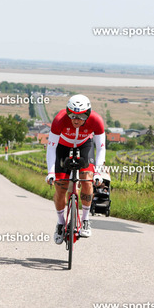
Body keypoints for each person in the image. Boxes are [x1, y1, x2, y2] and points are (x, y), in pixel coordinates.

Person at [45, 94, 105, 244]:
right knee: (61, 187)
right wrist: (51, 172)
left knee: (87, 181)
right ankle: (60, 222)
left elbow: (101, 148)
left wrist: (98, 172)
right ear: (67, 112)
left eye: (81, 116)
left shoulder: (96, 120)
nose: (76, 120)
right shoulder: (59, 120)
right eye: (72, 115)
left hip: (85, 146)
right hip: (63, 147)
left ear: (88, 114)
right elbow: (51, 148)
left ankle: (85, 219)